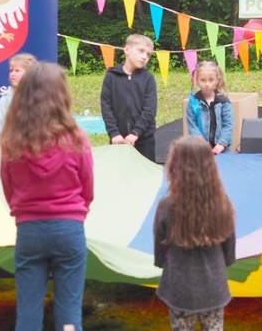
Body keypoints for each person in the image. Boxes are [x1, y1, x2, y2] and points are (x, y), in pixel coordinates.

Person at [0, 62, 94, 331]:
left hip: (28, 230)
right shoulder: (77, 138)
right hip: (69, 229)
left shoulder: (12, 139)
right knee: (69, 315)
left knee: (27, 315)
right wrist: (75, 213)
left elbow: (8, 186)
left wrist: (23, 211)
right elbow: (88, 188)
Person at [154, 136, 236, 331]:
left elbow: (160, 246)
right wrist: (223, 262)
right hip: (214, 286)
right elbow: (229, 247)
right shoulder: (222, 203)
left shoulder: (167, 206)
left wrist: (161, 263)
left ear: (175, 167)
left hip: (179, 288)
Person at [100, 33, 157, 162]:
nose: (144, 57)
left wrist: (136, 133)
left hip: (144, 140)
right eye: (141, 51)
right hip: (118, 140)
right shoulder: (111, 76)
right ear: (127, 50)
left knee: (144, 172)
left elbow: (150, 109)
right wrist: (114, 133)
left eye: (148, 54)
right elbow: (106, 106)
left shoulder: (148, 78)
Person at [185, 61, 233, 154]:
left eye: (211, 80)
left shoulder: (224, 102)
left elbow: (228, 125)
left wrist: (221, 144)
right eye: (203, 80)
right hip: (200, 149)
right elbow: (192, 125)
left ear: (217, 80)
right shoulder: (193, 103)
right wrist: (201, 143)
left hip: (222, 150)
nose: (207, 84)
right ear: (197, 80)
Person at [0, 52, 37, 133]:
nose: (13, 74)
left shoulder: (42, 96)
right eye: (11, 71)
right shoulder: (5, 100)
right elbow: (3, 130)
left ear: (29, 73)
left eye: (17, 71)